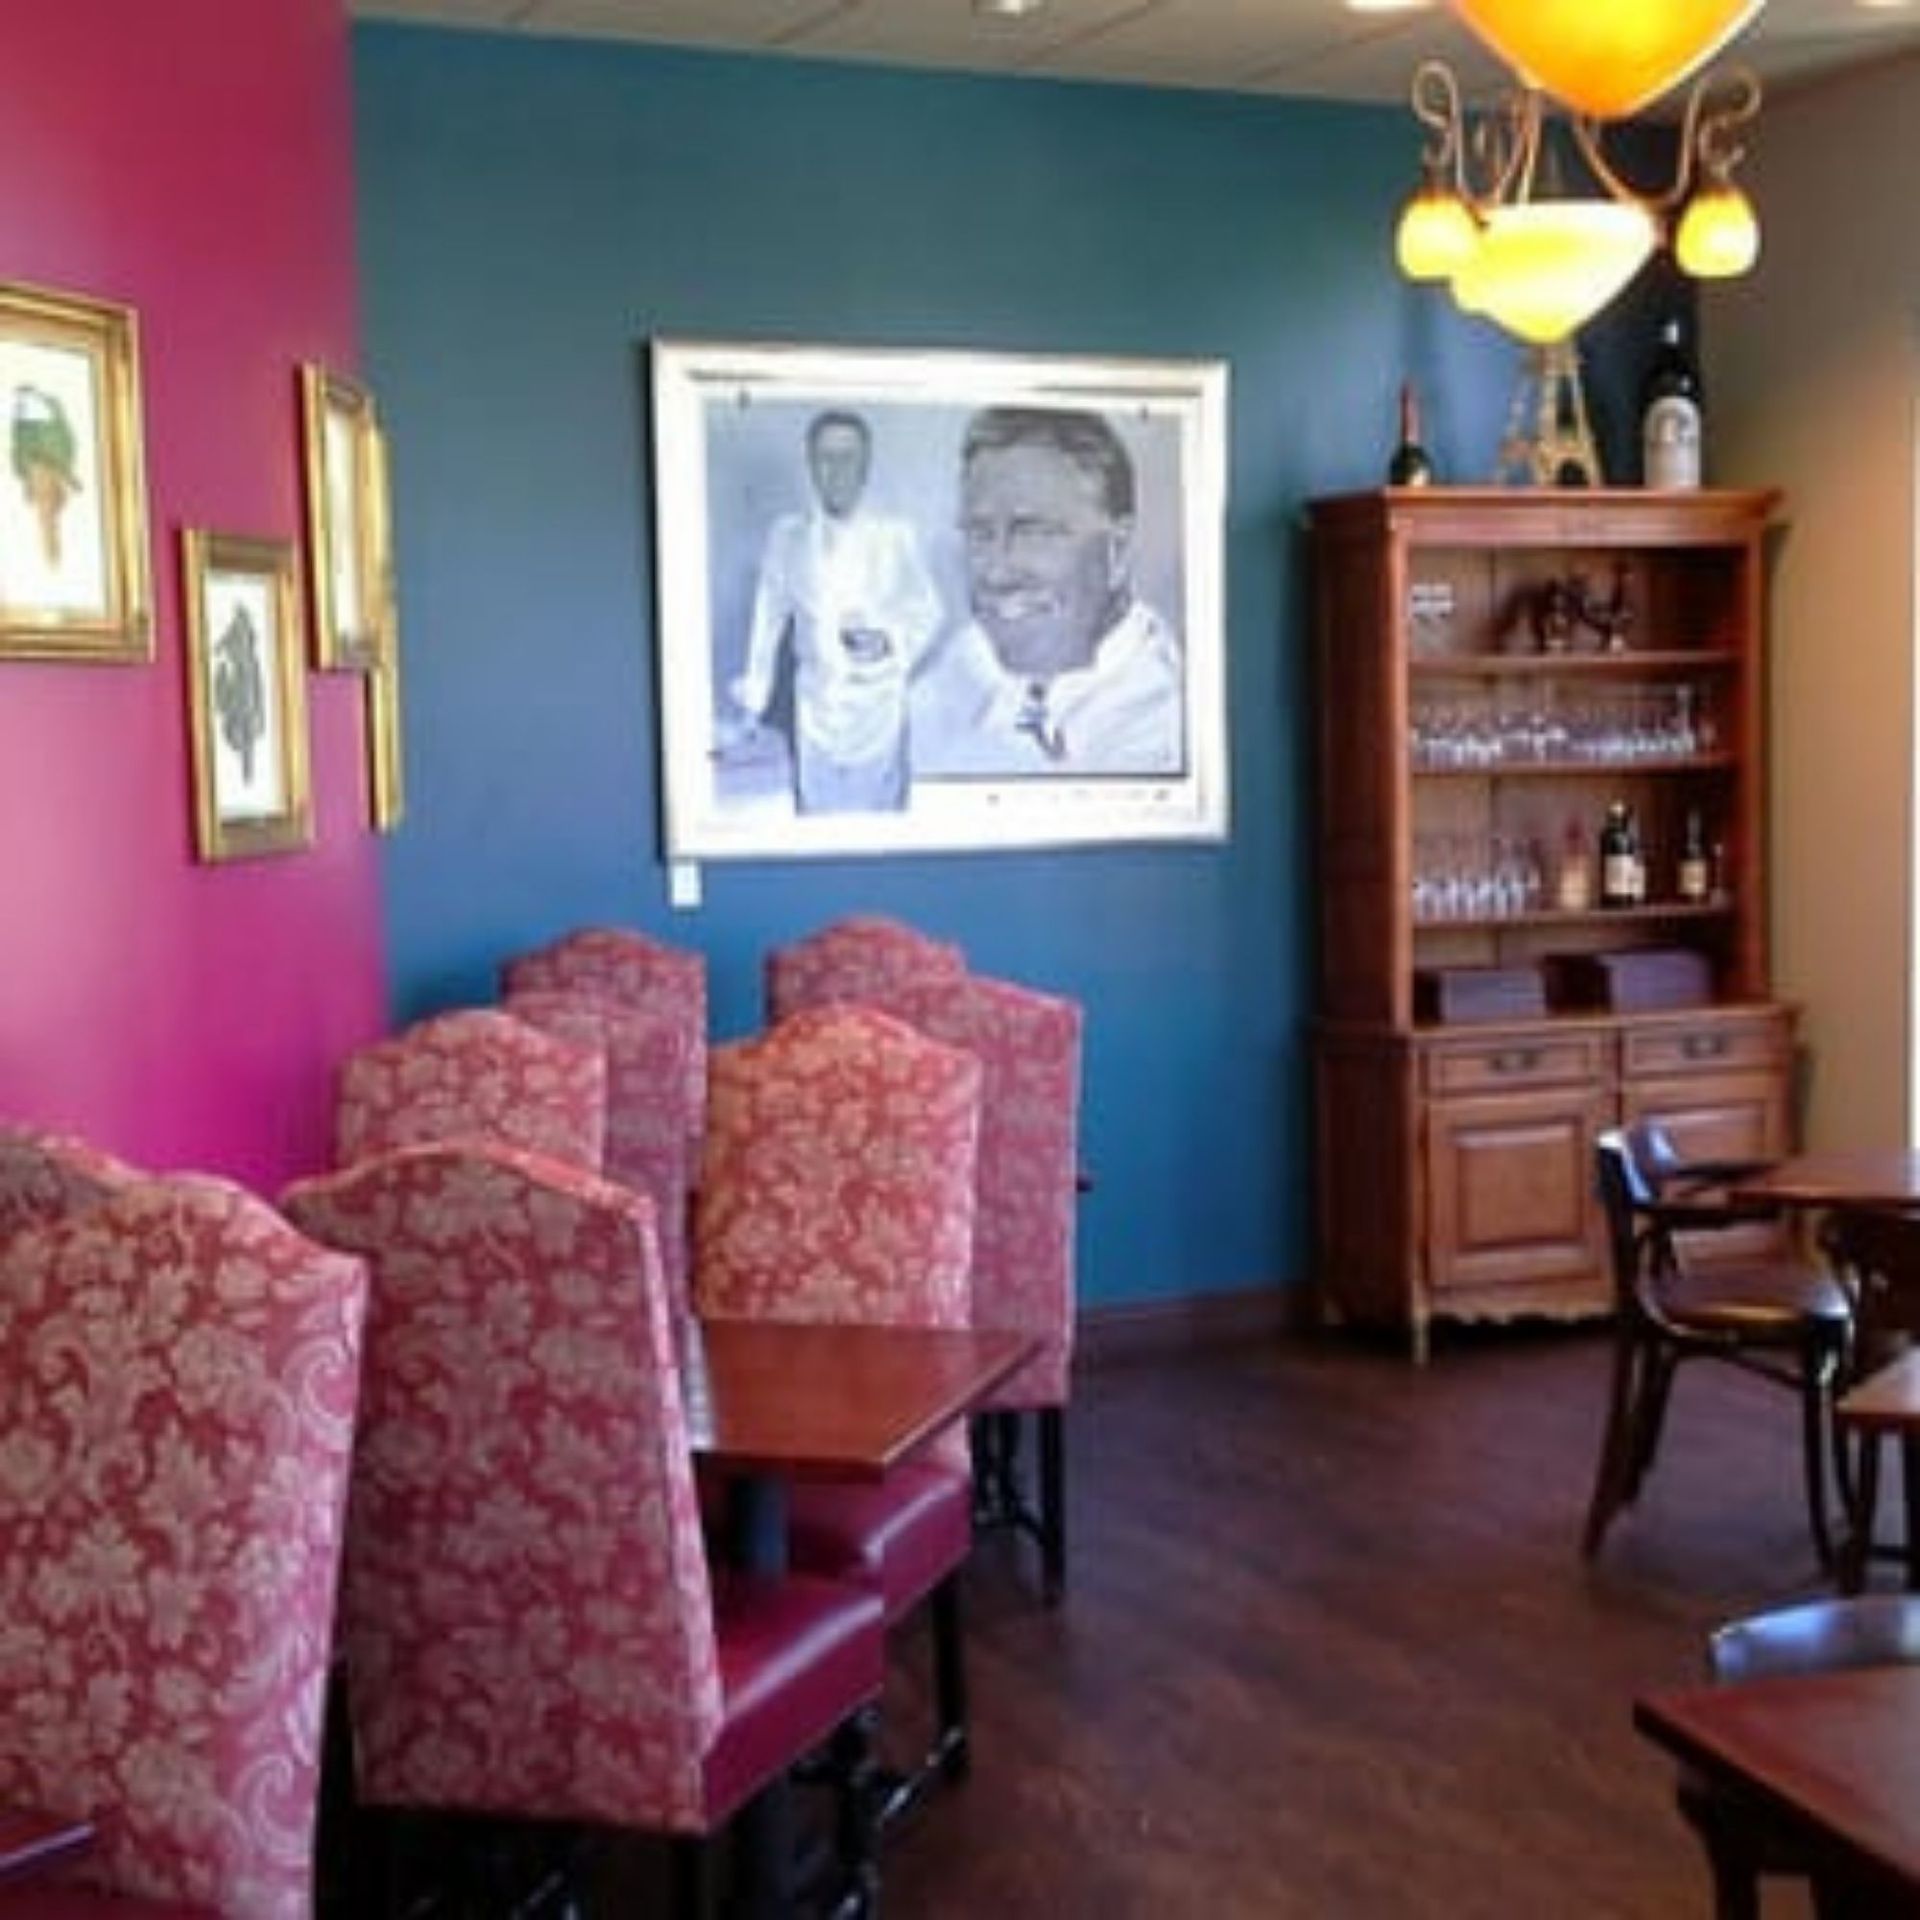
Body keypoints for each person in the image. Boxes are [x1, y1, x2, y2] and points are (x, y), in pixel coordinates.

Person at [909, 406, 1184, 777]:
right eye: (980, 534)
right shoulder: (956, 672)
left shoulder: (1169, 724)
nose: (995, 571)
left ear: (1116, 551)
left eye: (1033, 532)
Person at [727, 408, 941, 814]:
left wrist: (889, 641)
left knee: (881, 838)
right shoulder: (787, 537)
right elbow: (767, 620)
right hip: (815, 713)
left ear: (864, 466)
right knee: (816, 830)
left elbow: (928, 611)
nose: (836, 471)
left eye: (847, 459)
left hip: (879, 712)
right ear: (810, 465)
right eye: (825, 459)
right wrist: (754, 699)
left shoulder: (894, 536)